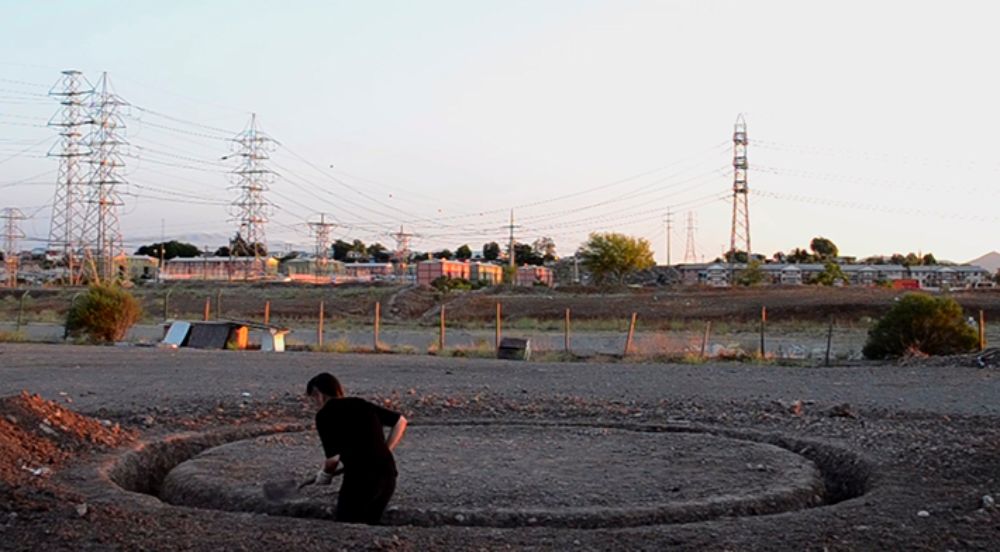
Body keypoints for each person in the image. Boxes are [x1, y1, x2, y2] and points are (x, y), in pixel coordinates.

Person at [300, 372, 408, 524]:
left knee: (346, 526)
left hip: (361, 479)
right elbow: (401, 422)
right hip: (388, 475)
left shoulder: (324, 415)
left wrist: (325, 475)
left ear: (318, 394)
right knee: (369, 526)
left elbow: (333, 459)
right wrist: (385, 451)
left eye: (312, 399)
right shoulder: (361, 404)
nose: (313, 405)